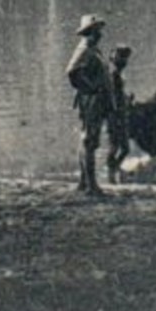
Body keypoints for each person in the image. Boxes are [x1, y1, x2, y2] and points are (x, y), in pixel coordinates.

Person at [65, 14, 115, 195]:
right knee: (89, 140)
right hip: (92, 101)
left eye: (99, 29)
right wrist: (90, 88)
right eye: (97, 30)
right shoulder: (85, 48)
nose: (100, 33)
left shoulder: (92, 49)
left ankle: (84, 182)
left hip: (95, 100)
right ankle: (91, 185)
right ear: (89, 32)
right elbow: (71, 72)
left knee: (88, 140)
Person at [106, 45, 133, 184]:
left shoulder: (116, 74)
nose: (124, 62)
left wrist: (127, 99)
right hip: (116, 115)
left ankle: (114, 171)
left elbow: (117, 95)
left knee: (120, 147)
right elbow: (112, 96)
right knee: (117, 146)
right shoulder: (114, 75)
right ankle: (112, 173)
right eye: (122, 58)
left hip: (120, 114)